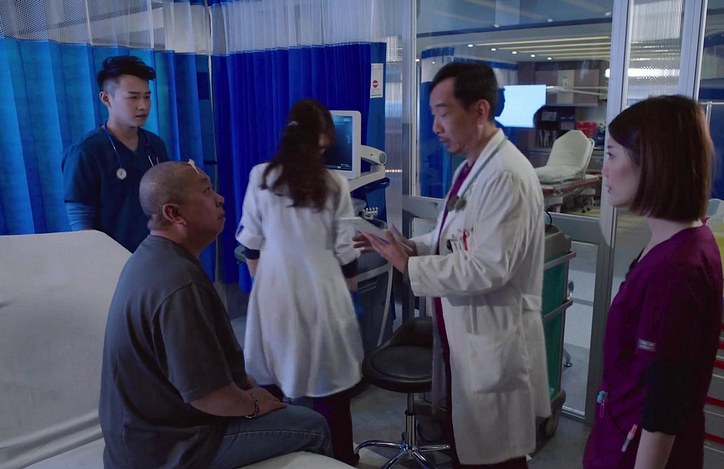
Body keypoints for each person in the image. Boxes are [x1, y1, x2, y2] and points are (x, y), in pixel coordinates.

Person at [359, 62, 550, 468]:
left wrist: (410, 267)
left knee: (497, 457)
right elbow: (455, 235)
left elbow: (488, 267)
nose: (435, 127)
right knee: (472, 446)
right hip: (465, 334)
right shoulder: (472, 167)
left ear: (480, 110)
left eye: (443, 113)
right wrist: (411, 246)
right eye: (433, 114)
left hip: (494, 339)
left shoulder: (506, 176)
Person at [99, 161, 332, 469]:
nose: (219, 198)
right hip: (169, 450)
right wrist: (253, 404)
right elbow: (208, 397)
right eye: (207, 191)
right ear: (174, 213)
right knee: (313, 426)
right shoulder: (179, 285)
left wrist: (245, 386)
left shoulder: (152, 256)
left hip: (148, 436)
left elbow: (204, 360)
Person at [583, 95, 723, 468]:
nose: (604, 170)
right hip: (620, 432)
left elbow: (665, 404)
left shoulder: (676, 269)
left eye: (612, 155)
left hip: (637, 452)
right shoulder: (679, 240)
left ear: (652, 162)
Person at [235, 99, 364, 466]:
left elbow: (249, 243)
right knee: (330, 388)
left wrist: (266, 285)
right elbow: (346, 249)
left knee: (270, 384)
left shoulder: (261, 176)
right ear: (323, 139)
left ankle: (276, 457)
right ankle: (341, 459)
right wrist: (350, 286)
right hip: (323, 289)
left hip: (274, 289)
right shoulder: (335, 184)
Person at [63, 55, 169, 252]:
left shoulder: (154, 145)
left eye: (147, 97)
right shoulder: (86, 151)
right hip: (109, 256)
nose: (143, 106)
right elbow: (80, 219)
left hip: (154, 253)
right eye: (133, 97)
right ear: (106, 98)